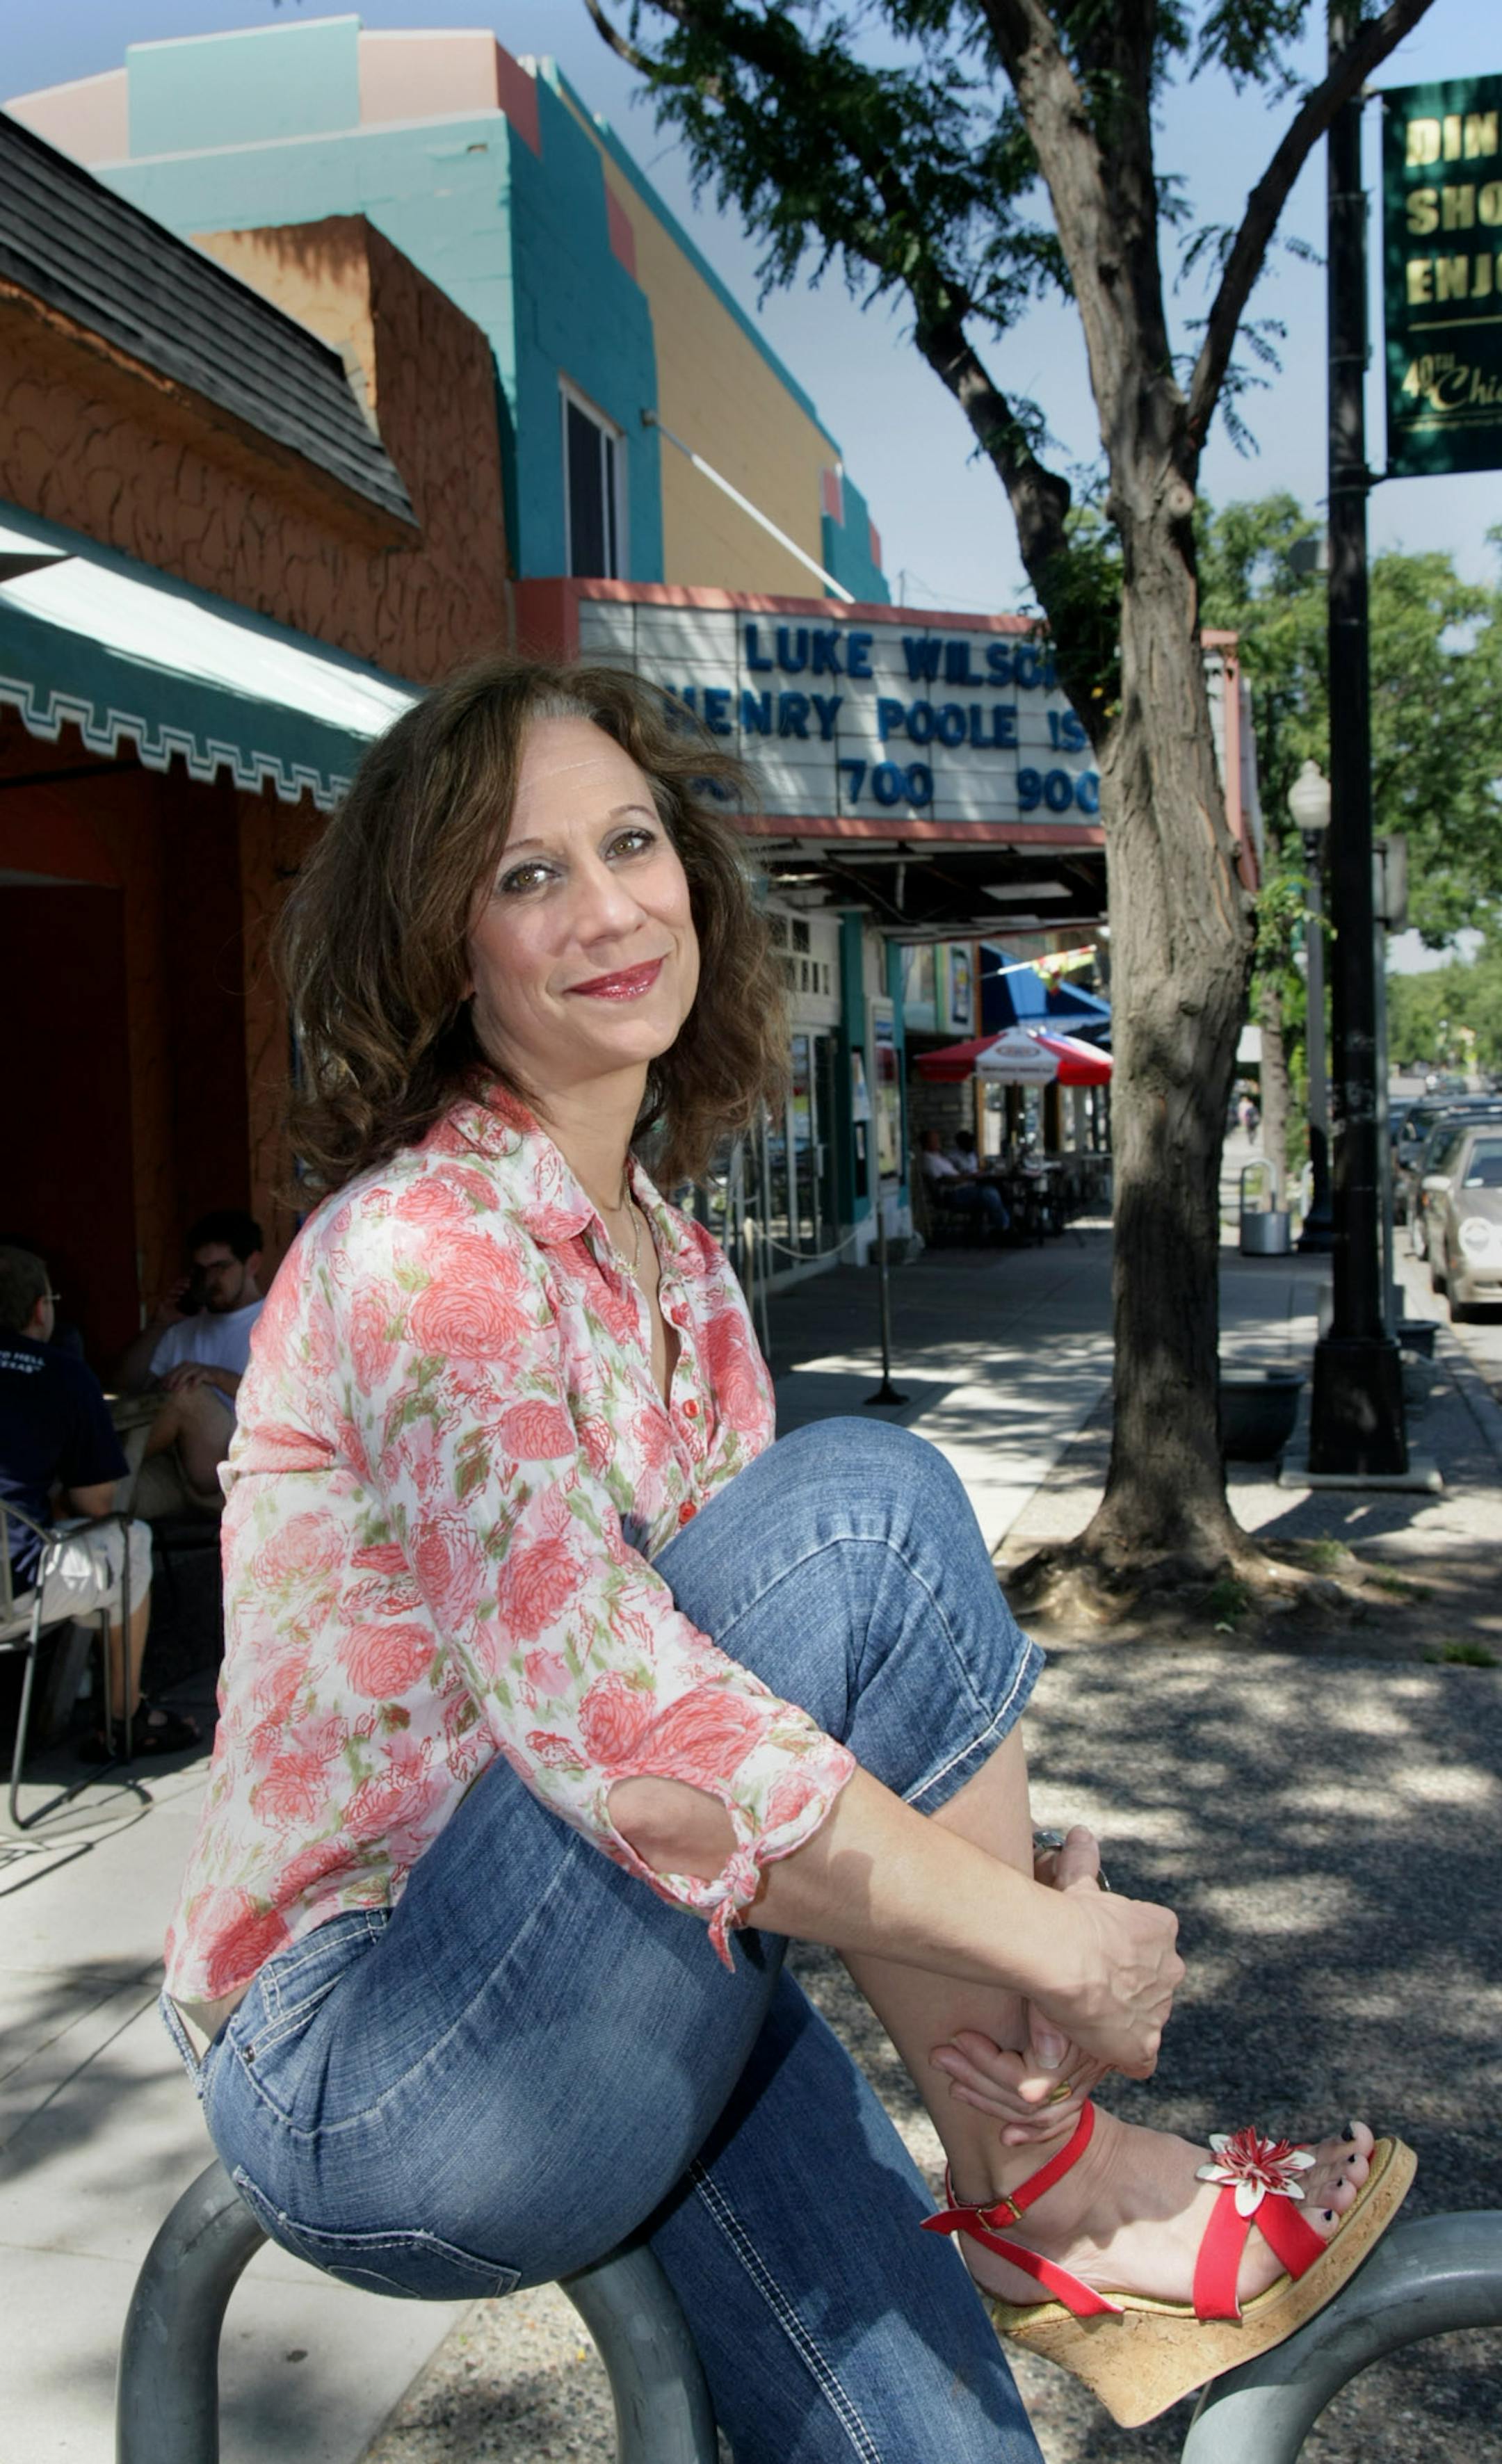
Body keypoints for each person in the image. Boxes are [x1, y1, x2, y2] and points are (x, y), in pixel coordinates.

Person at [161, 661, 1409, 2457]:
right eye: (527, 878)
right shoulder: (417, 1254)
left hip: (612, 1991)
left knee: (935, 2441)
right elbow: (631, 1728)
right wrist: (1045, 1948)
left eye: (631, 843)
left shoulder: (687, 1279)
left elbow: (770, 1746)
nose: (606, 907)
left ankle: (1026, 2190)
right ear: (447, 952)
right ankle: (1051, 2186)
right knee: (871, 1514)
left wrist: (1002, 1929)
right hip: (378, 2057)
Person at [0, 1245, 194, 1758]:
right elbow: (98, 1504)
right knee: (129, 1540)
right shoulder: (61, 1374)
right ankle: (123, 1718)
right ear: (41, 1308)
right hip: (12, 1590)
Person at [115, 1211, 266, 1516]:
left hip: (236, 1473)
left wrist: (215, 1376)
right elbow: (123, 1388)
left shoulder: (274, 1322)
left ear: (252, 1264)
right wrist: (158, 1326)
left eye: (219, 1268)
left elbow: (284, 1400)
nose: (209, 1280)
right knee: (98, 1499)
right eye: (201, 1270)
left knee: (187, 1393)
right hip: (174, 1470)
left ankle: (96, 1464)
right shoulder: (183, 1329)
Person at [919, 1125, 1010, 1236]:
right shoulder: (928, 1160)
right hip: (953, 1194)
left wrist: (970, 1176)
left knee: (1000, 1189)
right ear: (927, 1143)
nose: (939, 1142)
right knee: (990, 1193)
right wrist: (970, 1177)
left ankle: (1005, 1225)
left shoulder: (937, 1157)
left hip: (962, 1188)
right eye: (935, 1140)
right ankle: (1004, 1230)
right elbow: (945, 1180)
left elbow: (954, 1173)